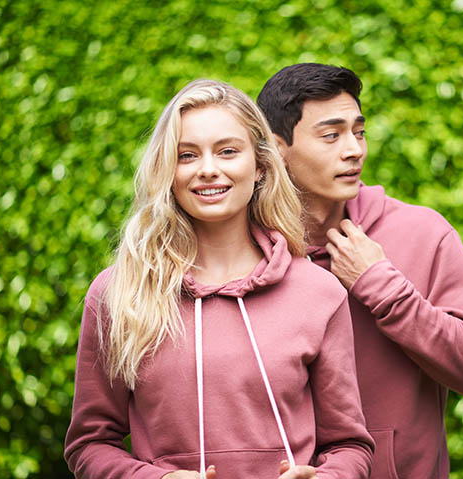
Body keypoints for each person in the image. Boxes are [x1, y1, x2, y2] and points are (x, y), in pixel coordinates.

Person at [64, 79, 374, 479]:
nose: (208, 170)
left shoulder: (318, 292)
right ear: (167, 171)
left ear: (260, 166)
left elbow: (350, 446)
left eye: (228, 151)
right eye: (187, 155)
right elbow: (90, 444)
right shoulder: (117, 293)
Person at [257, 64, 463, 478]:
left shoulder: (423, 233)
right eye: (331, 135)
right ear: (276, 147)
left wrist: (382, 286)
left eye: (359, 131)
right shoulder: (241, 252)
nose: (354, 149)